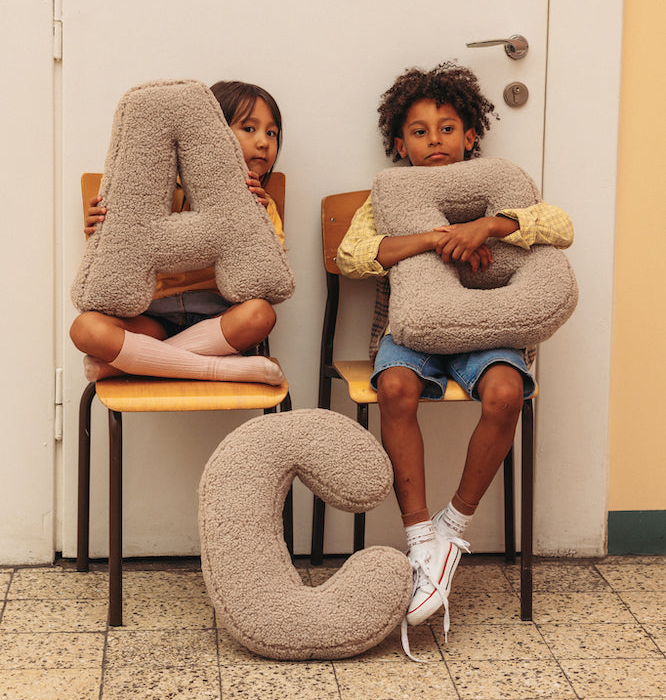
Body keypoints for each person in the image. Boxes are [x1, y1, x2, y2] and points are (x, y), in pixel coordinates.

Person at [336, 63, 573, 651]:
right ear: (399, 144)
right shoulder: (387, 199)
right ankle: (419, 534)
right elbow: (353, 255)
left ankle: (453, 527)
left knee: (506, 393)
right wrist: (434, 239)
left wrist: (488, 225)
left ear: (471, 137)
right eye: (418, 132)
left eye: (446, 128)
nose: (433, 140)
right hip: (411, 335)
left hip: (487, 330)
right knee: (394, 390)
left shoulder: (499, 191)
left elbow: (560, 226)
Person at [70, 80, 287, 386]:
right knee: (85, 328)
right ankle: (222, 369)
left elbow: (263, 277)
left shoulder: (265, 206)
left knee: (261, 315)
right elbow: (122, 255)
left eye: (272, 133)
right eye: (249, 129)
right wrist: (100, 228)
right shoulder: (158, 192)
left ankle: (134, 365)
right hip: (152, 317)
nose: (264, 141)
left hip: (218, 320)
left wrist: (258, 217)